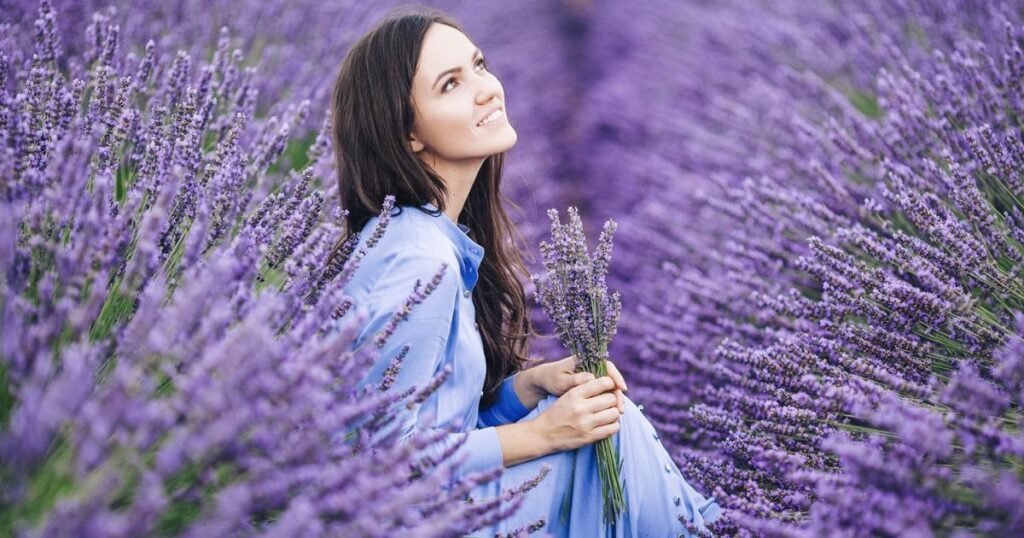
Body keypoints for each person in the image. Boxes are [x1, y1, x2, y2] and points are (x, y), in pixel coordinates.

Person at [328, 6, 720, 536]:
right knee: (612, 436)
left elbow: (445, 427)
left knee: (603, 417)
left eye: (479, 65)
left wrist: (529, 388)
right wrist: (543, 436)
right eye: (451, 85)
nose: (487, 88)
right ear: (408, 133)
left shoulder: (426, 238)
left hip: (448, 504)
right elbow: (381, 462)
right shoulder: (419, 262)